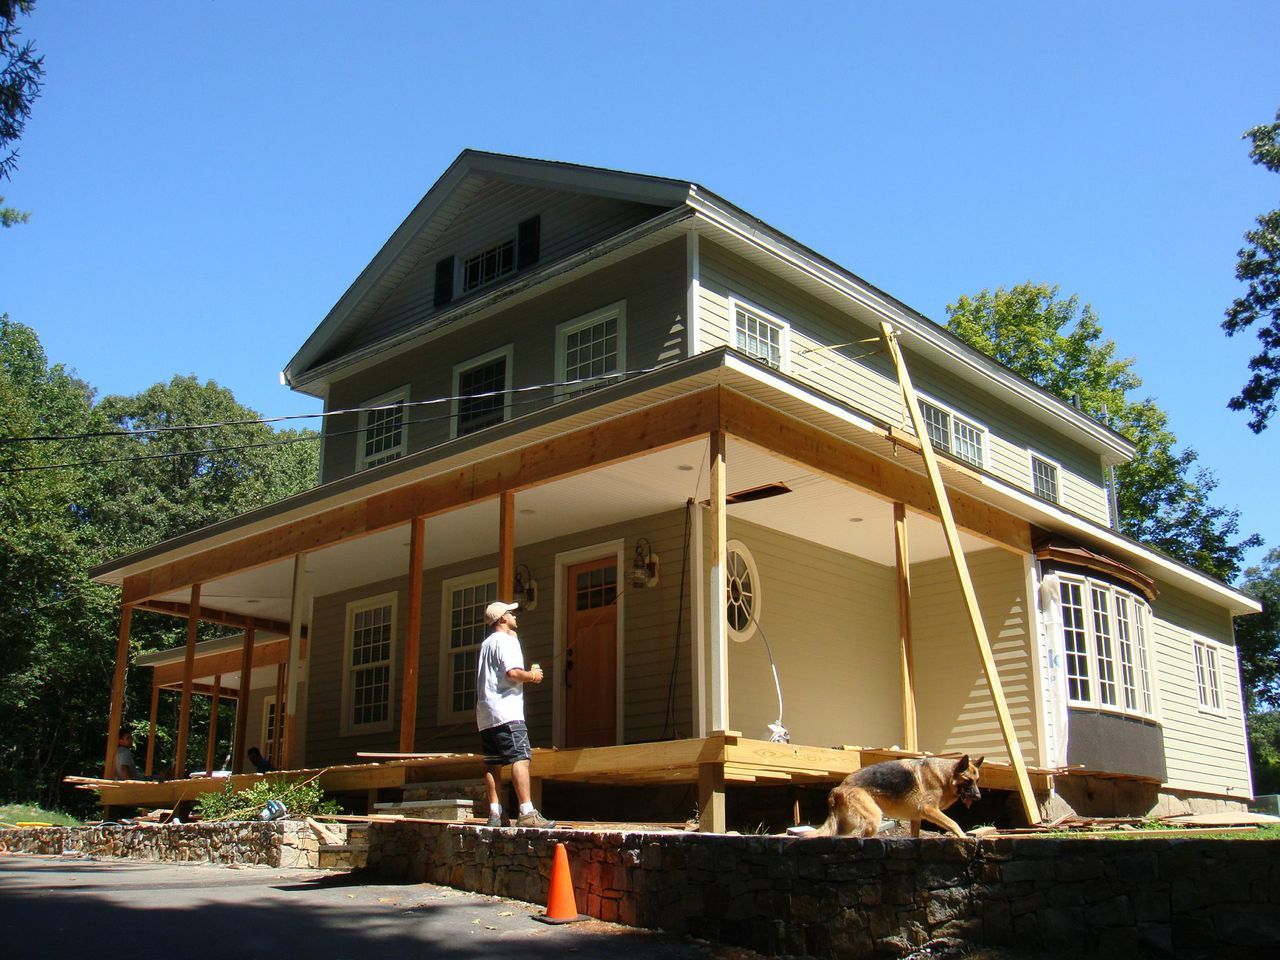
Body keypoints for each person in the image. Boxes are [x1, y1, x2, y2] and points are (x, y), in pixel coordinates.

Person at [476, 600, 555, 828]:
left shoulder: (487, 644)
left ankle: (494, 812)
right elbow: (512, 673)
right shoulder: (507, 640)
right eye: (511, 613)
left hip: (486, 714)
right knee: (521, 758)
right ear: (502, 618)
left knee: (493, 763)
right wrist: (532, 675)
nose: (515, 616)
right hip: (507, 712)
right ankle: (527, 812)